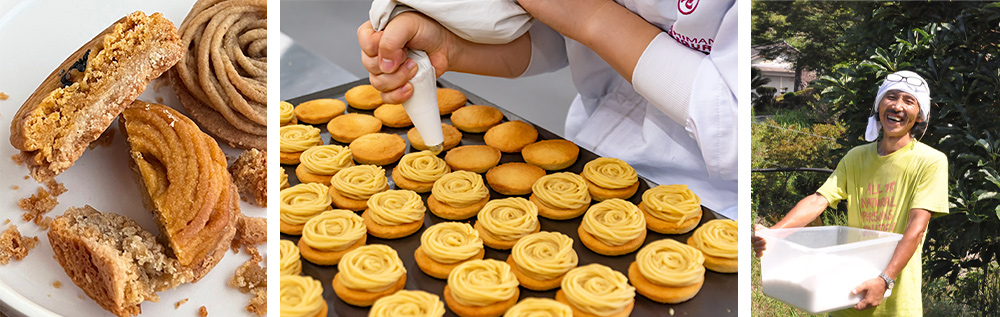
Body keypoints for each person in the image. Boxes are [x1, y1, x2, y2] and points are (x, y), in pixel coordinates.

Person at [356, 0, 738, 217]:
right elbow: (562, 36)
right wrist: (450, 49)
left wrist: (593, 17)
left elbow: (734, 123)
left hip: (710, 204)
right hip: (586, 162)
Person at [752, 70, 948, 316]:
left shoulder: (930, 161)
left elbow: (917, 227)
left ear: (919, 115)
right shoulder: (856, 157)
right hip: (845, 292)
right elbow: (818, 200)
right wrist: (773, 234)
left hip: (896, 299)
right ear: (879, 105)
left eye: (909, 101)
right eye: (891, 97)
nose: (897, 106)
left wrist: (884, 280)